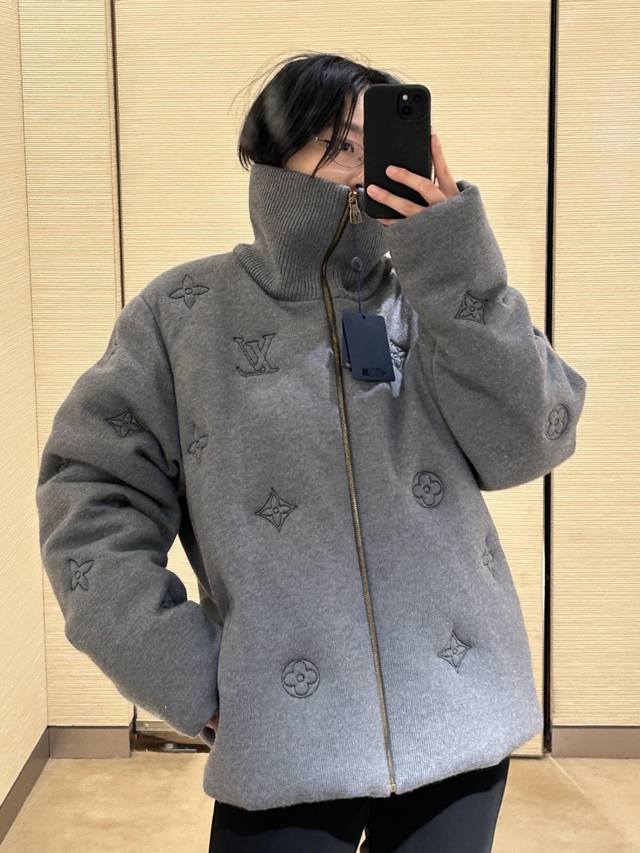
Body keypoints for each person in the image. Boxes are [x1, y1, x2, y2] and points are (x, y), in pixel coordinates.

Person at [36, 52, 587, 852]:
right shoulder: (181, 315)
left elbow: (535, 436)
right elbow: (90, 500)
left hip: (460, 708)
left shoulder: (436, 299)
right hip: (283, 730)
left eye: (380, 143)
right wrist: (183, 670)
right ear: (273, 152)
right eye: (340, 144)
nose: (364, 167)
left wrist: (456, 262)